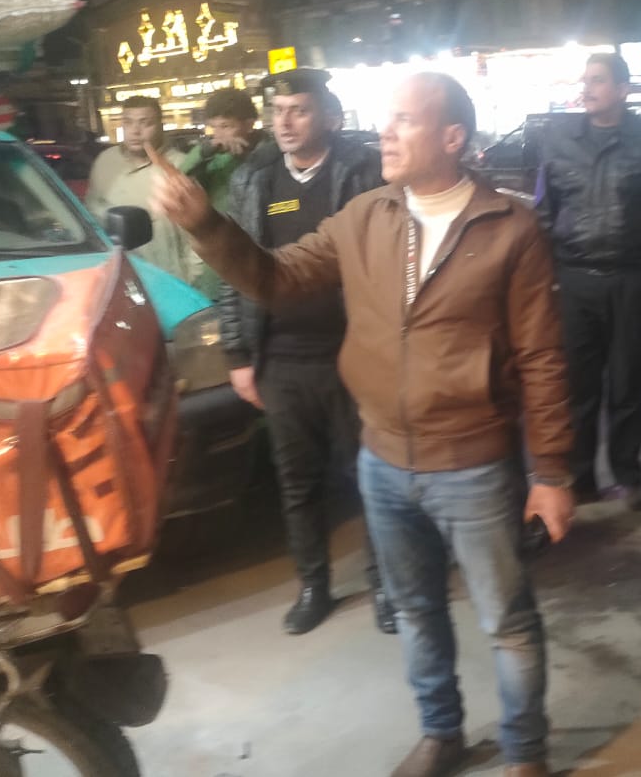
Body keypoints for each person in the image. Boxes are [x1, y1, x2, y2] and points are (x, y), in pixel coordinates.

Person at [153, 71, 573, 777]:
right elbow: (276, 278)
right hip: (381, 460)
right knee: (415, 611)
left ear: (452, 137)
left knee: (507, 620)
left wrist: (553, 472)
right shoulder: (366, 215)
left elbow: (542, 357)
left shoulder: (509, 229)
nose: (385, 132)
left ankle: (525, 753)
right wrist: (205, 225)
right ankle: (441, 733)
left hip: (471, 464)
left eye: (404, 120)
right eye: (386, 118)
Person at [214, 68, 388, 636]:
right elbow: (232, 267)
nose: (284, 122)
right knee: (298, 481)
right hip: (281, 358)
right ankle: (314, 584)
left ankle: (386, 582)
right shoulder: (254, 178)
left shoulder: (362, 171)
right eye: (277, 111)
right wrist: (238, 355)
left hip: (352, 353)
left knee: (371, 475)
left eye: (299, 110)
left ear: (330, 118)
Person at [535, 52, 641, 511]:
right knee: (577, 387)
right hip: (574, 280)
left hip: (634, 281)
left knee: (627, 384)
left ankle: (628, 475)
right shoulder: (558, 140)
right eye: (585, 80)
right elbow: (544, 213)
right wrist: (540, 279)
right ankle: (580, 479)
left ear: (623, 90)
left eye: (598, 80)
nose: (587, 88)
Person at [85, 96, 192, 282]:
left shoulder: (180, 165)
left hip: (171, 280)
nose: (135, 131)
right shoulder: (106, 162)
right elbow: (92, 217)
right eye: (128, 123)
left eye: (145, 123)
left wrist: (193, 280)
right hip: (119, 278)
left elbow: (200, 232)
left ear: (160, 126)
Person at [178, 87, 268, 296]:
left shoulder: (270, 153)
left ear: (249, 124)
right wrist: (202, 153)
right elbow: (180, 183)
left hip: (261, 254)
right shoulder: (212, 159)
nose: (218, 135)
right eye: (214, 127)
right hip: (219, 259)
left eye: (226, 126)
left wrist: (249, 158)